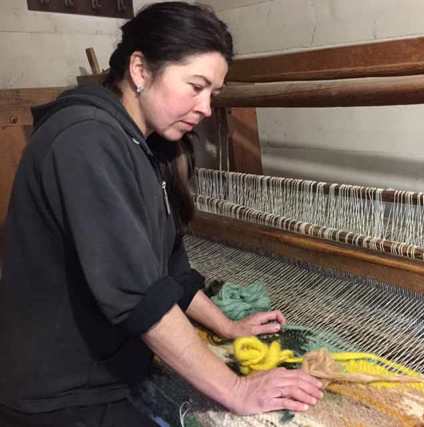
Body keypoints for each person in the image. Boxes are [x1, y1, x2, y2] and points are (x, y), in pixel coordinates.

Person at [0, 2, 323, 426]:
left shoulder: (145, 146)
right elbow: (138, 295)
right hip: (61, 393)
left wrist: (226, 326)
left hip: (112, 372)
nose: (207, 107)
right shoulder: (85, 141)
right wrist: (237, 389)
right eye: (196, 86)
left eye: (214, 93)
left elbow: (169, 269)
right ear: (140, 70)